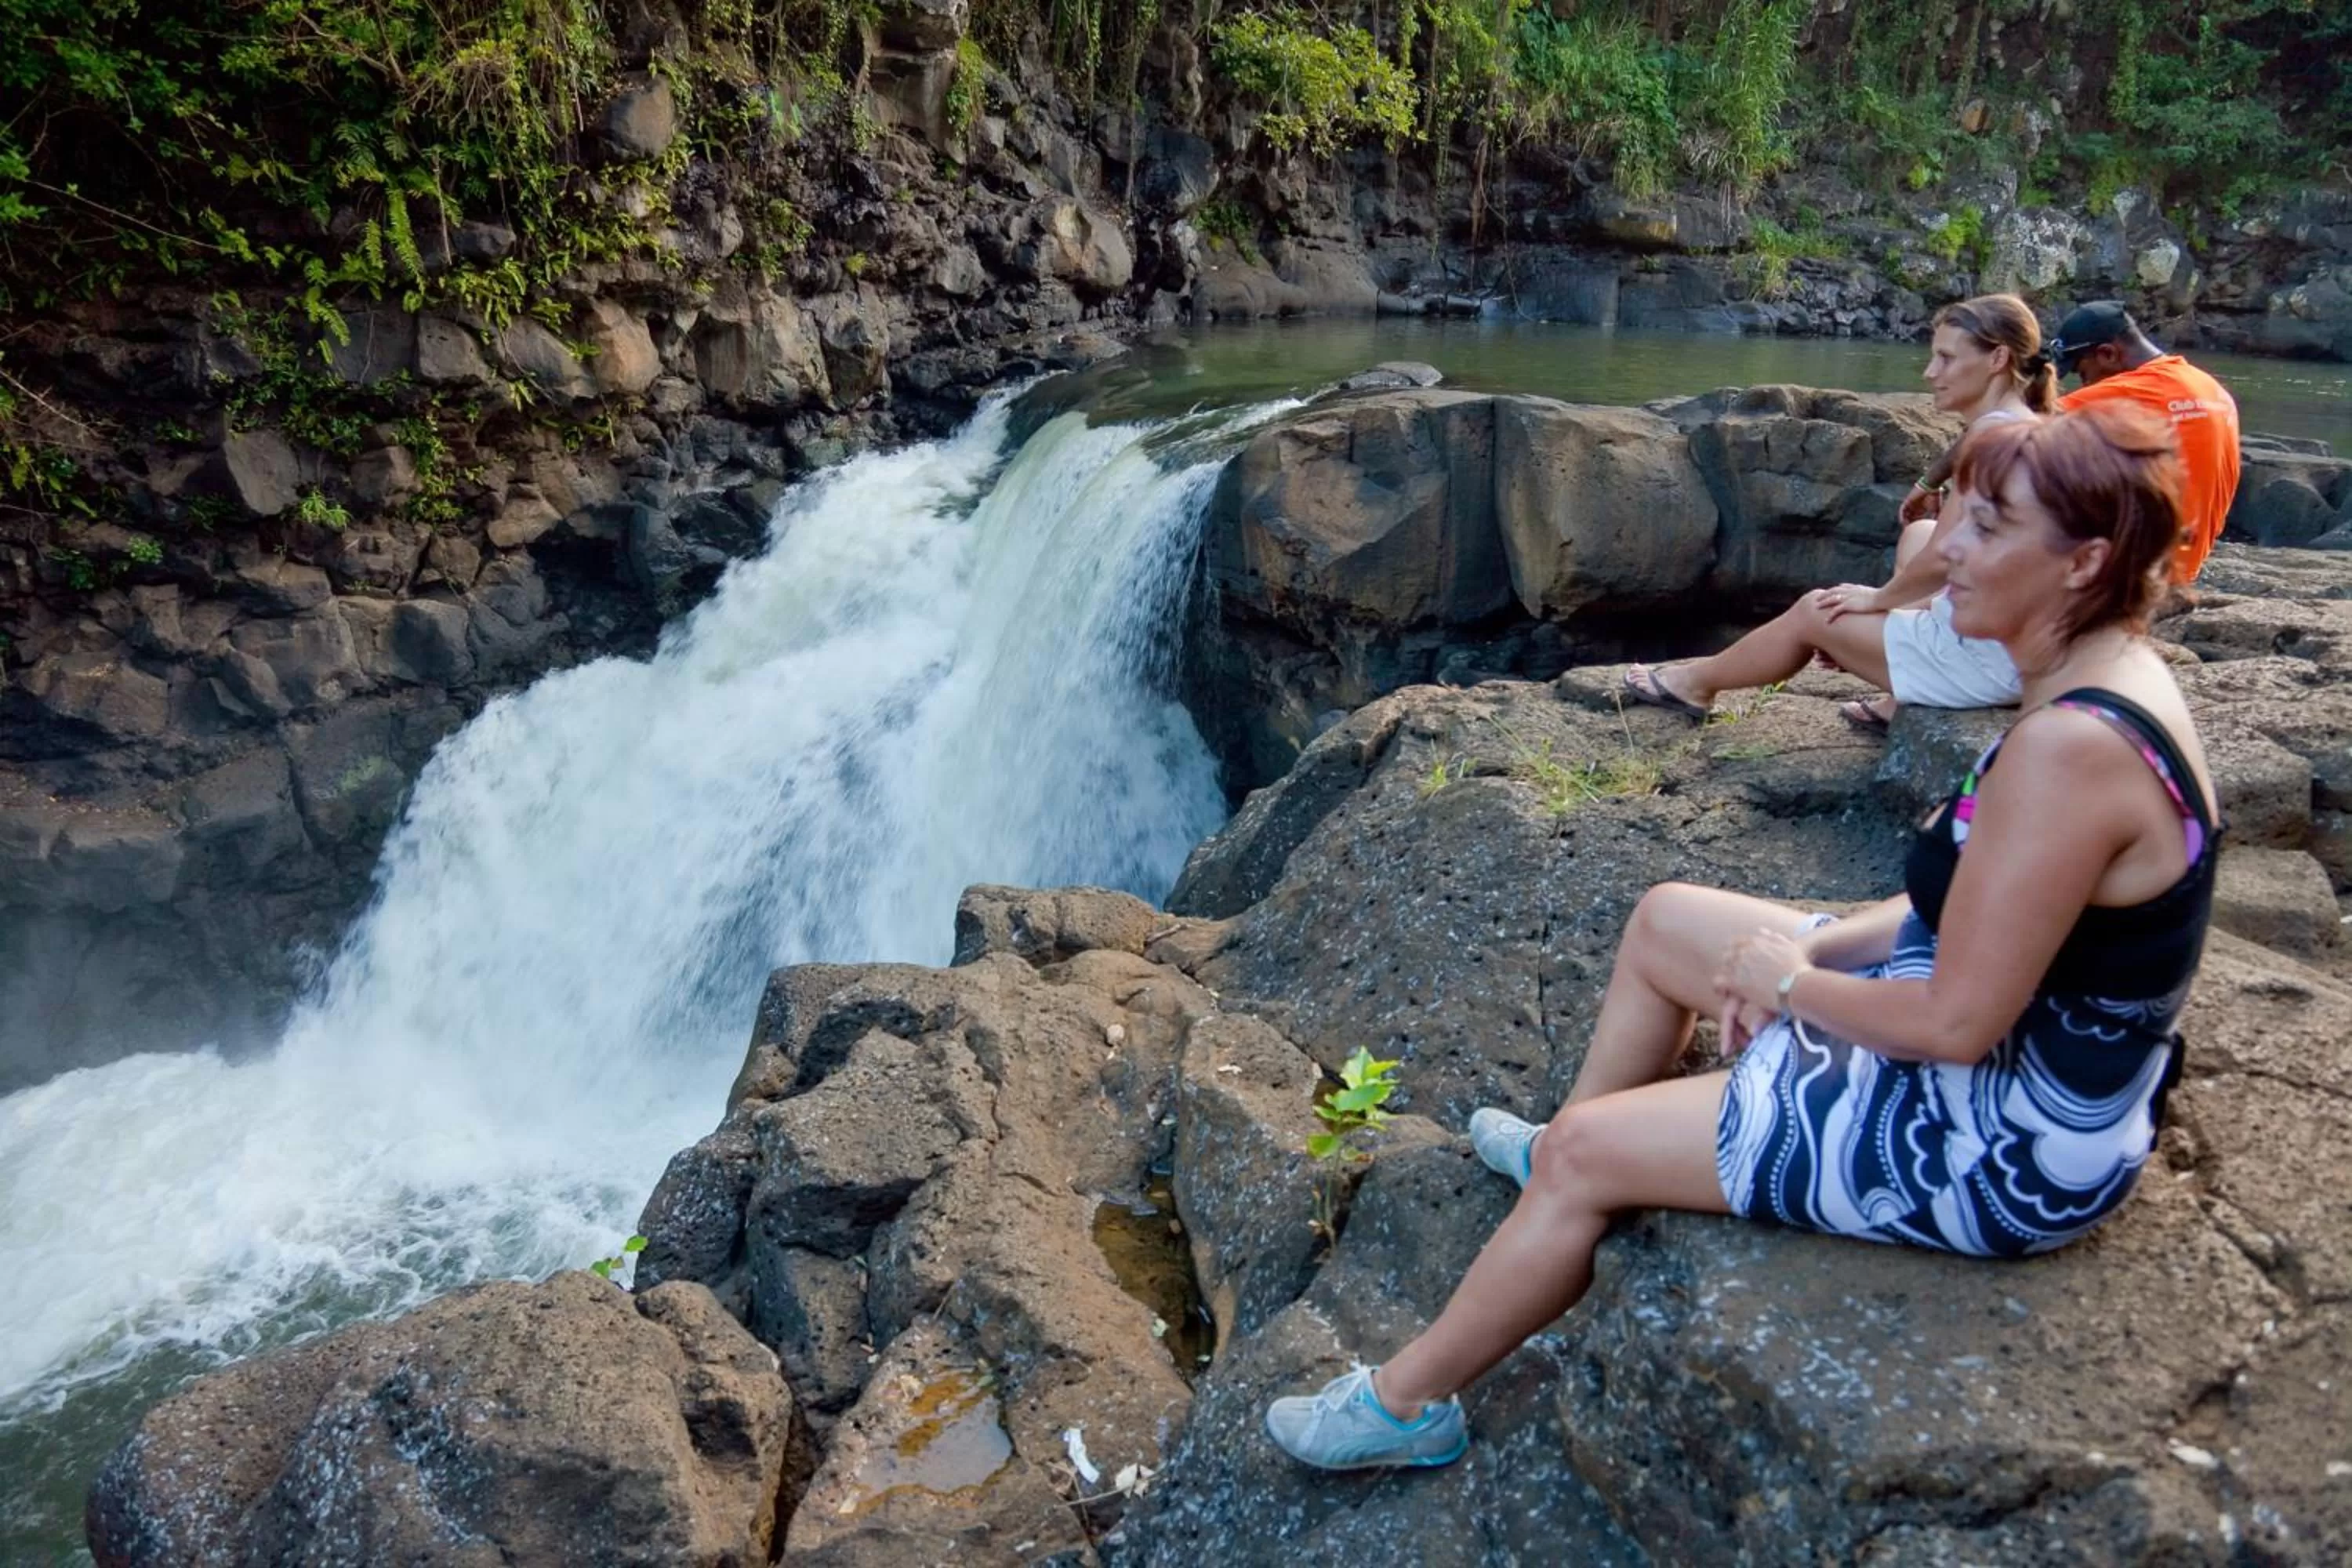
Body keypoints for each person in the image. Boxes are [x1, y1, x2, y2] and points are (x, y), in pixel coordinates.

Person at [1263, 403, 2219, 1472]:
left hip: (2004, 1135)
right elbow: (1969, 912)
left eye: (1989, 527)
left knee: (1590, 1156)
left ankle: (1409, 1405)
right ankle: (1563, 1174)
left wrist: (1794, 986)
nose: (1945, 548)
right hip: (1991, 1026)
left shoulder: (2070, 751)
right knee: (1667, 918)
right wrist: (1808, 956)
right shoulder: (2101, 683)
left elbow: (1957, 1023)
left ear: (2085, 562)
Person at [1621, 294, 2056, 731]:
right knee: (1919, 533)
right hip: (2024, 646)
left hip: (1989, 664)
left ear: (1998, 358)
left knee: (1817, 610)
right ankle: (1896, 693)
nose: (1930, 373)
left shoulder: (1989, 442)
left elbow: (1945, 560)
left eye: (1946, 358)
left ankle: (1693, 684)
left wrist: (1877, 602)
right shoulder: (2033, 425)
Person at [2048, 300, 2240, 582]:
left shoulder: (2139, 388)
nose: (2087, 387)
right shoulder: (2207, 384)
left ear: (2108, 354)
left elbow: (2012, 422)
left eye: (2084, 374)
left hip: (2140, 576)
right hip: (2186, 567)